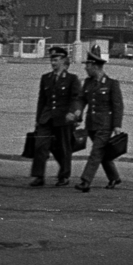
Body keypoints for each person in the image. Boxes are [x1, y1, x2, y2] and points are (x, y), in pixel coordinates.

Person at [30, 45, 82, 187]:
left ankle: (64, 176)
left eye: (56, 60)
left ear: (63, 61)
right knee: (40, 145)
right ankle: (39, 176)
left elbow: (76, 98)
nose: (53, 63)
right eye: (52, 60)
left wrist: (74, 115)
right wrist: (37, 119)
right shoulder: (46, 78)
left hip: (64, 118)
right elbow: (42, 100)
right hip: (46, 118)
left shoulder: (72, 79)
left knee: (64, 148)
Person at [74, 49, 123, 192]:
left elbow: (118, 106)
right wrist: (78, 113)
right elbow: (81, 100)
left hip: (105, 125)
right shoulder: (88, 83)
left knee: (96, 152)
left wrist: (117, 125)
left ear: (95, 66)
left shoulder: (111, 84)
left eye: (87, 66)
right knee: (101, 153)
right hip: (91, 124)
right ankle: (114, 177)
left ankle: (85, 181)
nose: (85, 68)